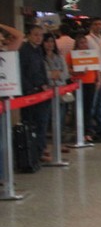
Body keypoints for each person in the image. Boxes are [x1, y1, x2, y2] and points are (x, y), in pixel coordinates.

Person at [19, 25, 51, 162]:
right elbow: (21, 72)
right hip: (30, 92)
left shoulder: (38, 50)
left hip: (41, 90)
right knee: (31, 122)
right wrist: (30, 88)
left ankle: (40, 148)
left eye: (41, 35)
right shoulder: (24, 51)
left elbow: (41, 69)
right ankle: (33, 151)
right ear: (29, 36)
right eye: (35, 35)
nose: (39, 38)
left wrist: (45, 83)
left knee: (42, 122)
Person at [66, 34, 100, 143]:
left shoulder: (91, 54)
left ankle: (88, 132)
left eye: (85, 42)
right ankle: (79, 131)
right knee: (78, 108)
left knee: (88, 108)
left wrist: (98, 79)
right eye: (81, 42)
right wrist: (78, 72)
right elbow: (68, 69)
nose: (84, 45)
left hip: (90, 82)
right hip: (78, 83)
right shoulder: (71, 55)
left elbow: (96, 67)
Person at [43, 33, 70, 147]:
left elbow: (66, 74)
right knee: (47, 117)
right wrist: (53, 74)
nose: (50, 44)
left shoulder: (59, 56)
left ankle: (59, 143)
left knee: (60, 117)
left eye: (51, 42)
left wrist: (56, 75)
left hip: (61, 89)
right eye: (47, 42)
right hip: (47, 91)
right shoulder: (41, 57)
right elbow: (44, 74)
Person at [86, 17, 101, 137]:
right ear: (91, 26)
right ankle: (90, 128)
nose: (98, 26)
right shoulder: (87, 39)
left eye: (100, 24)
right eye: (95, 24)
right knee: (93, 102)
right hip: (94, 73)